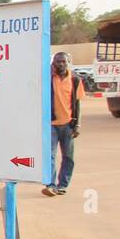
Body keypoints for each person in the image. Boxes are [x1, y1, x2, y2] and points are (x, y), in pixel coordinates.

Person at [45, 51, 85, 197]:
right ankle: (50, 184)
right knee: (50, 155)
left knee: (68, 156)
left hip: (68, 124)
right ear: (53, 63)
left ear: (68, 63)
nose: (60, 64)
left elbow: (77, 104)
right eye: (57, 61)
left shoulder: (75, 80)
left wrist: (78, 125)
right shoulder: (49, 78)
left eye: (63, 61)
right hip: (51, 125)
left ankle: (62, 185)